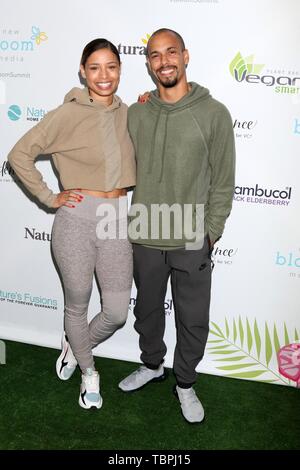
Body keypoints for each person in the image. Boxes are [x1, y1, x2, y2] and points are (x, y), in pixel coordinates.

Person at [8, 38, 136, 410]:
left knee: (116, 312)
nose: (103, 75)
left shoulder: (130, 113)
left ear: (120, 69)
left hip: (116, 219)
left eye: (111, 66)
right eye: (94, 67)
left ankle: (75, 343)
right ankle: (88, 371)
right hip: (76, 221)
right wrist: (50, 197)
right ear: (82, 71)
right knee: (77, 307)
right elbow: (19, 155)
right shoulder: (67, 113)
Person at [118, 28, 235, 423]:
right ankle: (152, 365)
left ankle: (185, 382)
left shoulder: (214, 113)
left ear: (186, 56)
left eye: (171, 52)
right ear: (148, 63)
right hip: (146, 234)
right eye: (154, 55)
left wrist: (211, 232)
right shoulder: (137, 111)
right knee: (147, 312)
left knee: (193, 318)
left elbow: (223, 180)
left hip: (191, 238)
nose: (164, 60)